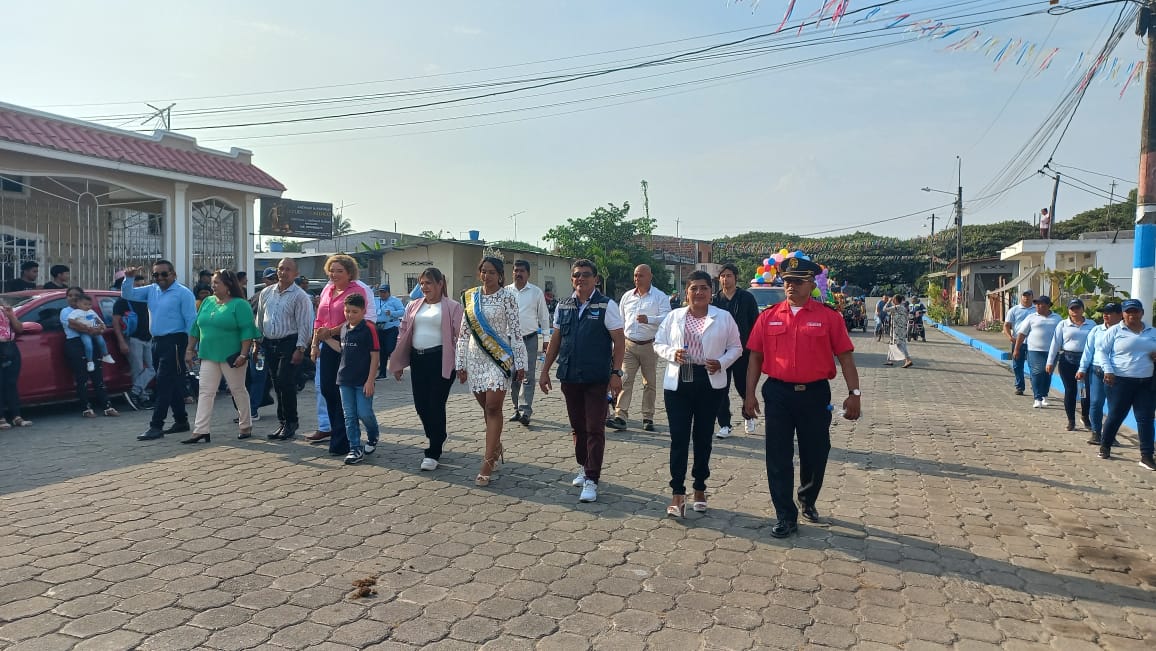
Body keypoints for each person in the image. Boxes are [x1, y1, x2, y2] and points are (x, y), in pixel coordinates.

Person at [743, 256, 861, 538]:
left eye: (798, 281)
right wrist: (749, 395)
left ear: (811, 284)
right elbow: (755, 358)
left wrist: (854, 394)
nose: (791, 286)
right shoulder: (768, 316)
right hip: (778, 394)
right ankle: (785, 515)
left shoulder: (829, 317)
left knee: (816, 452)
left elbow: (845, 357)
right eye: (787, 281)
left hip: (814, 394)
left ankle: (807, 499)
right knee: (778, 456)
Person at [655, 271, 742, 517]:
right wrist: (672, 353)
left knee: (703, 438)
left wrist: (722, 362)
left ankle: (700, 487)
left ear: (711, 292)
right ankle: (677, 493)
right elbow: (658, 342)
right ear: (687, 292)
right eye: (694, 288)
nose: (699, 293)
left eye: (704, 288)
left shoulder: (723, 317)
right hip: (678, 382)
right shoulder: (674, 316)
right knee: (679, 438)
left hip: (709, 380)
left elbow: (736, 347)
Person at [539, 259, 626, 504]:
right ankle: (584, 465)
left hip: (596, 377)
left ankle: (591, 479)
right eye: (577, 275)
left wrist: (616, 373)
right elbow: (556, 340)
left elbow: (619, 341)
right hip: (570, 376)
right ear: (572, 279)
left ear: (595, 279)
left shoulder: (606, 305)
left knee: (595, 428)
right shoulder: (563, 305)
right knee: (578, 427)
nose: (581, 279)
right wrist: (545, 371)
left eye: (586, 275)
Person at [457, 257, 527, 486]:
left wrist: (521, 363)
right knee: (485, 408)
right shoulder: (470, 297)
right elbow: (463, 334)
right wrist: (460, 363)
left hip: (498, 359)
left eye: (491, 272)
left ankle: (487, 462)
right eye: (483, 271)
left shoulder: (508, 297)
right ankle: (495, 446)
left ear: (500, 275)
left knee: (493, 407)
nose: (486, 276)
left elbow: (516, 332)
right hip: (475, 359)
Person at [389, 267, 463, 471]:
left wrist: (462, 364)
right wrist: (398, 361)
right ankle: (438, 435)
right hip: (418, 360)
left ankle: (433, 451)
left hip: (441, 360)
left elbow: (461, 336)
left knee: (435, 404)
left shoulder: (453, 306)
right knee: (421, 405)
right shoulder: (413, 305)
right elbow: (403, 331)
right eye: (421, 283)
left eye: (428, 283)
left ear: (440, 283)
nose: (424, 287)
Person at [121, 260, 198, 441]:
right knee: (173, 382)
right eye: (156, 275)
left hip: (176, 342)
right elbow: (128, 294)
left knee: (163, 383)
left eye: (164, 274)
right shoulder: (152, 290)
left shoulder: (183, 293)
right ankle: (181, 420)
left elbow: (192, 322)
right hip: (156, 342)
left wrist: (191, 348)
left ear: (173, 274)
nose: (160, 278)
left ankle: (156, 425)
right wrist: (128, 278)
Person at [182, 270, 260, 444]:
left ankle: (245, 425)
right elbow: (196, 327)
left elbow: (247, 331)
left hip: (232, 356)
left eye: (217, 282)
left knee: (237, 390)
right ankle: (201, 430)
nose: (213, 285)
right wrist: (190, 349)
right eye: (213, 282)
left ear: (228, 285)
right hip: (208, 354)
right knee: (205, 391)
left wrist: (243, 354)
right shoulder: (207, 302)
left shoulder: (240, 304)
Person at [308, 255, 373, 457]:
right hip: (327, 344)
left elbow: (355, 319)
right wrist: (314, 344)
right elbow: (319, 320)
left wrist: (331, 332)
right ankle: (338, 432)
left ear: (349, 273)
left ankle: (343, 440)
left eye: (339, 271)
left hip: (348, 344)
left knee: (342, 392)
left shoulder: (357, 290)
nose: (334, 274)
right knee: (327, 389)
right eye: (332, 270)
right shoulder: (327, 290)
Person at [255, 258, 314, 441]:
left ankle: (291, 421)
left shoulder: (300, 296)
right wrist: (257, 342)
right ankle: (282, 422)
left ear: (295, 273)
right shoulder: (266, 292)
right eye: (281, 268)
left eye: (288, 269)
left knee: (285, 381)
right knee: (276, 383)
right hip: (269, 343)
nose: (283, 272)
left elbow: (305, 324)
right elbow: (260, 318)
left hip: (290, 342)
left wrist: (300, 348)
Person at [319, 293, 380, 465]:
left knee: (364, 413)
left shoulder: (369, 328)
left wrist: (370, 380)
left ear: (363, 311)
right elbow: (342, 349)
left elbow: (375, 356)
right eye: (347, 311)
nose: (350, 315)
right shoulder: (344, 328)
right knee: (349, 416)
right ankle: (355, 448)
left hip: (363, 381)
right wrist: (326, 338)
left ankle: (373, 435)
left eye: (354, 311)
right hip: (344, 380)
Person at [610, 264, 670, 432]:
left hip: (649, 345)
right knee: (625, 380)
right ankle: (620, 416)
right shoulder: (627, 296)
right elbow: (620, 321)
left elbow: (668, 317)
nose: (637, 279)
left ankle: (648, 417)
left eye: (641, 275)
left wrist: (649, 319)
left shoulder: (659, 296)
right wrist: (616, 344)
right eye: (635, 275)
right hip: (628, 345)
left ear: (650, 277)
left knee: (649, 383)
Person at [1098, 298, 1156, 469]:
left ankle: (1146, 455)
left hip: (1146, 383)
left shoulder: (1152, 332)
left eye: (1135, 311)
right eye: (1128, 311)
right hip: (1120, 381)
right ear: (1123, 314)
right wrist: (1108, 370)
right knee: (1116, 415)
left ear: (1142, 313)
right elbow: (1102, 351)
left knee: (1145, 418)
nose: (1132, 314)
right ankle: (1105, 446)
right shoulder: (1115, 331)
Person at [712, 263, 760, 438]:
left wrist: (754, 349)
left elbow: (755, 324)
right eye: (723, 276)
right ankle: (725, 424)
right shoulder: (715, 300)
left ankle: (748, 415)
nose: (725, 279)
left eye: (729, 275)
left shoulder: (746, 298)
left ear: (736, 278)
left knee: (743, 386)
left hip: (742, 351)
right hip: (720, 352)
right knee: (721, 389)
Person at [60, 287, 121, 419]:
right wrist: (92, 330)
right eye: (70, 295)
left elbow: (100, 325)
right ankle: (86, 408)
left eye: (76, 295)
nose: (73, 298)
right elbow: (74, 326)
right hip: (76, 344)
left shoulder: (89, 311)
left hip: (92, 343)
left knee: (98, 377)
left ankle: (107, 406)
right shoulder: (66, 312)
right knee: (82, 378)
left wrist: (99, 329)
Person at [507, 260, 551, 426]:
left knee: (528, 375)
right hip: (510, 340)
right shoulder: (505, 292)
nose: (518, 274)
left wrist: (546, 339)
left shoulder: (536, 292)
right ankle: (516, 409)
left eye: (522, 271)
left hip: (529, 339)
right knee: (513, 375)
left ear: (528, 274)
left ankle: (526, 411)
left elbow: (544, 317)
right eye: (516, 271)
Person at [1077, 302, 1122, 446]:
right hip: (1097, 371)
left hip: (1118, 373)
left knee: (1115, 406)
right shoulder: (1096, 330)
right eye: (1104, 312)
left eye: (1109, 312)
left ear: (1120, 315)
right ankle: (1096, 432)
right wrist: (1082, 369)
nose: (1105, 315)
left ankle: (1110, 435)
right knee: (1096, 402)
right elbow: (1088, 351)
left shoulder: (1124, 332)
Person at [1047, 298, 1095, 431]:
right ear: (1068, 310)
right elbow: (1055, 343)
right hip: (1067, 360)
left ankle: (1085, 416)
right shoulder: (1063, 324)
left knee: (1085, 391)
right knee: (1070, 390)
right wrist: (1050, 362)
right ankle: (1071, 420)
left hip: (1086, 361)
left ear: (1082, 309)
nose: (1075, 311)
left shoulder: (1091, 324)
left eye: (1077, 308)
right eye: (1072, 308)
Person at [112, 274, 155, 410]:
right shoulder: (123, 301)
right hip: (133, 339)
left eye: (143, 285)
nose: (140, 288)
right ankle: (142, 398)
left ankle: (134, 392)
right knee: (138, 369)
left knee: (152, 368)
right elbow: (115, 322)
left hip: (148, 338)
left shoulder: (146, 299)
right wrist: (121, 342)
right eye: (137, 285)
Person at [1014, 295, 1062, 409]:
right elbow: (1022, 334)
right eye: (1037, 304)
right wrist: (1017, 349)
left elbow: (1063, 334)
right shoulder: (1031, 317)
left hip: (1052, 351)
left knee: (1047, 373)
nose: (1038, 306)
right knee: (1037, 372)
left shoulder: (1057, 318)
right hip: (1034, 350)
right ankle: (1037, 397)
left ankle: (1044, 395)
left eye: (1041, 304)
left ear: (1048, 306)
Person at [0, 300, 30, 430]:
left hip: (10, 347)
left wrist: (11, 315)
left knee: (11, 383)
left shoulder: (5, 309)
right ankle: (1, 418)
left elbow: (19, 329)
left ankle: (16, 416)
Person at [67, 294, 117, 371]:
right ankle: (90, 361)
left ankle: (106, 355)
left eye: (89, 304)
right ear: (78, 304)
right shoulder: (76, 312)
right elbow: (70, 320)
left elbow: (97, 319)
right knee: (88, 345)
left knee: (102, 342)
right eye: (85, 304)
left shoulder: (91, 311)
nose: (88, 306)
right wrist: (80, 324)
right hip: (85, 332)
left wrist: (102, 324)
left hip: (95, 330)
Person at [1004, 289, 1036, 395]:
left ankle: (1035, 386)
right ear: (1021, 297)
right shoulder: (1014, 310)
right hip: (1017, 342)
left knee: (1033, 366)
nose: (1026, 298)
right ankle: (1020, 386)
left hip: (1032, 342)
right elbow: (1006, 325)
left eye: (1028, 295)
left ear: (1032, 297)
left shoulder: (1036, 310)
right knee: (1017, 365)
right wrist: (1009, 337)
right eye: (1024, 296)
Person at [374, 284, 404, 378]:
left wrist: (392, 313)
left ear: (389, 292)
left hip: (391, 328)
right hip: (379, 328)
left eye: (384, 292)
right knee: (381, 351)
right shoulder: (376, 300)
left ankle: (398, 367)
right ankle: (382, 373)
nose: (382, 294)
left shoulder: (395, 301)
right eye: (380, 292)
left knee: (390, 349)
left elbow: (402, 311)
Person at [883, 294, 913, 368]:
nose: (892, 301)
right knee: (892, 343)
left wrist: (888, 302)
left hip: (897, 330)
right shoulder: (902, 307)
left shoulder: (896, 307)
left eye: (893, 299)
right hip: (901, 329)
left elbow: (884, 309)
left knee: (899, 345)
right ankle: (890, 360)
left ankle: (908, 359)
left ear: (896, 300)